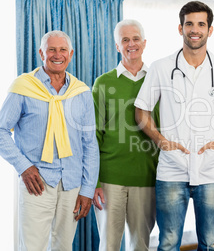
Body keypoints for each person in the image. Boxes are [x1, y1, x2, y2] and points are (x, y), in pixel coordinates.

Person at [134, 1, 214, 251]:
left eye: (201, 24)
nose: (195, 29)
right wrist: (161, 141)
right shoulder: (161, 67)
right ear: (180, 28)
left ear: (210, 30)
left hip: (211, 170)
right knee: (169, 242)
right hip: (172, 169)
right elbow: (141, 111)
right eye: (189, 24)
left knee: (211, 243)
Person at [0, 30, 99, 250]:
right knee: (32, 247)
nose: (57, 54)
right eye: (51, 49)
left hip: (72, 183)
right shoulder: (23, 87)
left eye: (63, 49)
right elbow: (1, 130)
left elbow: (90, 144)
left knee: (64, 247)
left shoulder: (81, 92)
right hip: (37, 182)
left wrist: (87, 189)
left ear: (70, 54)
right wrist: (24, 167)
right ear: (41, 53)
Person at [92, 19, 159, 251]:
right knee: (109, 245)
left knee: (141, 245)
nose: (131, 44)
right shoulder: (103, 83)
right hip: (110, 179)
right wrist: (95, 182)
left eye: (136, 38)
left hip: (146, 178)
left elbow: (163, 132)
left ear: (144, 43)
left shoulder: (157, 82)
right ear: (117, 46)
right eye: (125, 40)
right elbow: (93, 136)